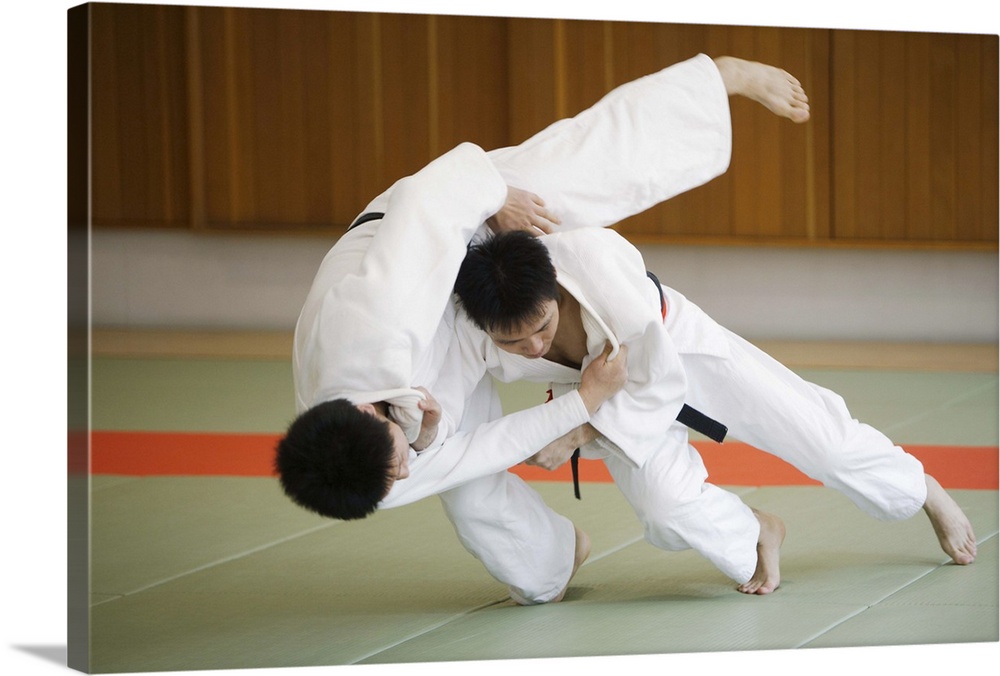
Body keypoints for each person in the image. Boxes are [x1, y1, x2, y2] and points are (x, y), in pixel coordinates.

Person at [276, 53, 813, 603]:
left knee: (584, 167)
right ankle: (553, 559)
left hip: (437, 231)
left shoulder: (375, 316)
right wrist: (566, 407)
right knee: (475, 500)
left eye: (397, 461)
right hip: (425, 369)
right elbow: (482, 450)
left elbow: (424, 197)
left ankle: (720, 79)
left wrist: (493, 199)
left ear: (366, 411)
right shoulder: (360, 471)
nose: (404, 474)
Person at [451, 227, 979, 595]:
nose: (535, 347)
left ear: (557, 289)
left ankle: (920, 488)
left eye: (542, 327)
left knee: (826, 444)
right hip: (605, 402)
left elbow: (656, 376)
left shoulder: (597, 262)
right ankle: (756, 528)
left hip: (682, 354)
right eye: (513, 343)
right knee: (665, 511)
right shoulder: (465, 324)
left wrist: (572, 432)